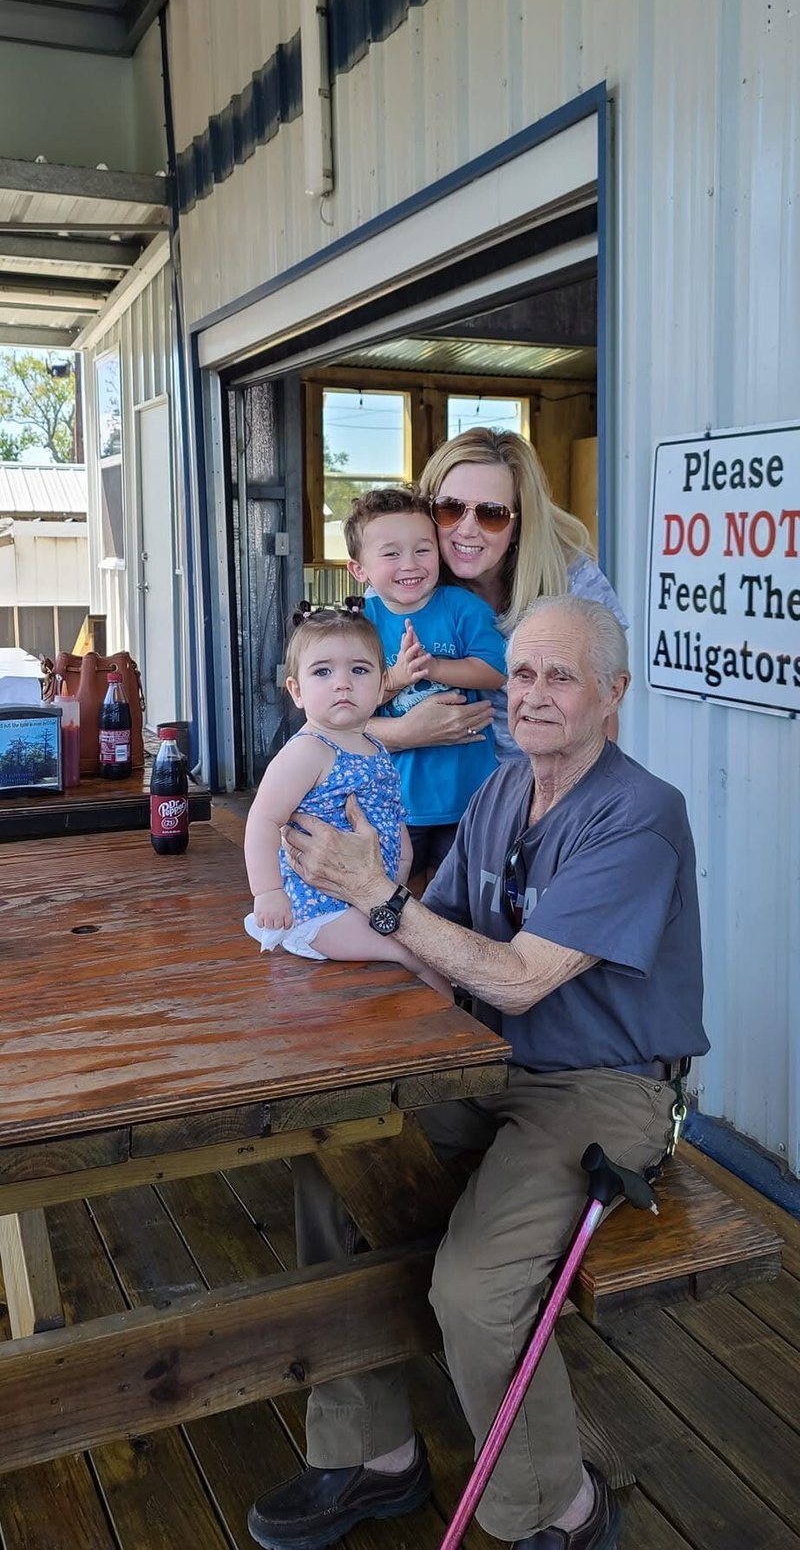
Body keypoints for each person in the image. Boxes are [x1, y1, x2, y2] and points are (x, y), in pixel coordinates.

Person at [247, 596, 708, 1550]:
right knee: (332, 1157)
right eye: (524, 672)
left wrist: (374, 894)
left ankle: (558, 1508)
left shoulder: (640, 813)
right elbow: (438, 940)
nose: (534, 695)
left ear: (614, 694)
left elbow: (522, 977)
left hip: (601, 1084)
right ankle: (372, 1450)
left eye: (562, 676)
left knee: (473, 1285)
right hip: (481, 1059)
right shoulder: (505, 787)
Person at [374, 426, 627, 762]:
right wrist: (405, 734)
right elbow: (329, 719)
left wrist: (570, 807)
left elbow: (602, 716)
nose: (466, 528)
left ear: (520, 522)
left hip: (539, 792)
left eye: (491, 513)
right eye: (450, 508)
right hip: (422, 803)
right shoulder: (402, 583)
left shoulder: (573, 580)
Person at [243, 603, 449, 995]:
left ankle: (446, 1040)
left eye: (359, 670)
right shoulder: (310, 750)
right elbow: (263, 820)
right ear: (297, 691)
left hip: (365, 898)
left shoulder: (373, 745)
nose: (343, 683)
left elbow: (389, 815)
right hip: (320, 910)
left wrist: (400, 870)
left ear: (382, 684)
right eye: (323, 671)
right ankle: (452, 1043)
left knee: (433, 951)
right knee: (419, 957)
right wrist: (267, 892)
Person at [345, 485, 506, 888]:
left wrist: (433, 667)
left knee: (455, 895)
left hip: (467, 794)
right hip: (394, 801)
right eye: (391, 554)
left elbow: (495, 671)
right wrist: (397, 678)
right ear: (359, 569)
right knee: (394, 891)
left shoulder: (462, 607)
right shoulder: (359, 622)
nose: (410, 564)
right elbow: (349, 704)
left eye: (422, 549)